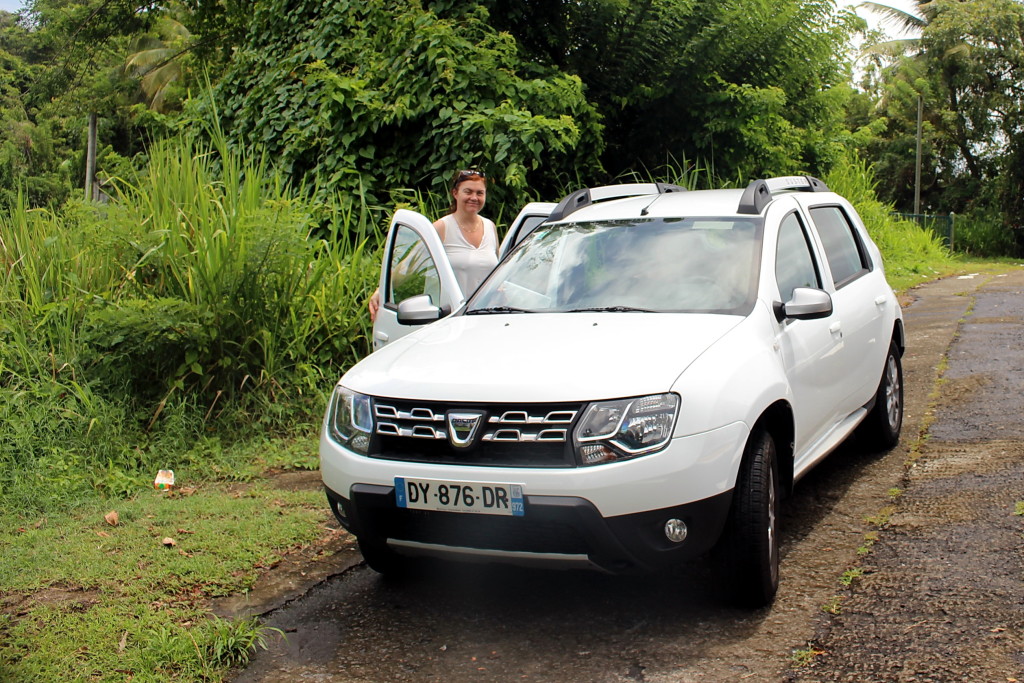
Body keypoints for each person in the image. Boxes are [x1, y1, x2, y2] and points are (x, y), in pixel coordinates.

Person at [368, 169, 498, 321]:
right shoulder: (441, 228)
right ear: (455, 193)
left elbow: (497, 274)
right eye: (468, 192)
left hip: (484, 318)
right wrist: (380, 292)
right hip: (448, 320)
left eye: (479, 193)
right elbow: (408, 266)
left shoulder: (490, 227)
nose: (474, 198)